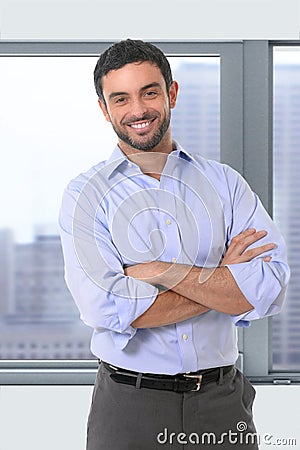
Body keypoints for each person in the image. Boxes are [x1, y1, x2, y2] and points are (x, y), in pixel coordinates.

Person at [59, 39, 290, 450]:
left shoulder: (226, 184)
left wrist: (161, 272)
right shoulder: (85, 195)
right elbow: (105, 306)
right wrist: (225, 283)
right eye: (121, 98)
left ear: (172, 93)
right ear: (104, 109)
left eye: (149, 92)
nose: (138, 110)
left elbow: (269, 287)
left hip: (222, 403)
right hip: (128, 405)